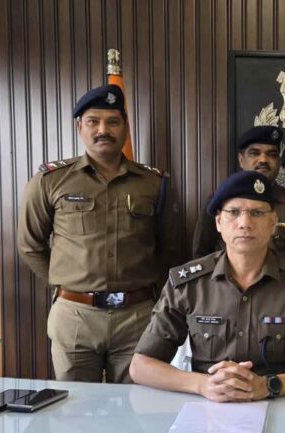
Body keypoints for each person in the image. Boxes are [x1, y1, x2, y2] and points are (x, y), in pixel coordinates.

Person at [130, 171, 285, 401]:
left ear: (273, 222)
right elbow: (141, 366)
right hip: (207, 408)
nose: (245, 223)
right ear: (218, 222)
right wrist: (202, 385)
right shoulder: (188, 283)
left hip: (281, 406)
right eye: (234, 212)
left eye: (257, 213)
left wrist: (269, 385)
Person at [17, 84, 178, 383]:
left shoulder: (154, 182)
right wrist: (67, 281)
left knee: (137, 404)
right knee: (76, 407)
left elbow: (170, 248)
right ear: (80, 127)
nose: (103, 130)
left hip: (137, 316)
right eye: (93, 121)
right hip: (75, 315)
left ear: (126, 128)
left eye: (112, 121)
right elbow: (30, 245)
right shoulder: (50, 180)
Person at [192, 125, 285, 259]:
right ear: (241, 160)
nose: (263, 160)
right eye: (254, 153)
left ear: (279, 162)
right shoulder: (219, 200)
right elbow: (201, 254)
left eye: (272, 155)